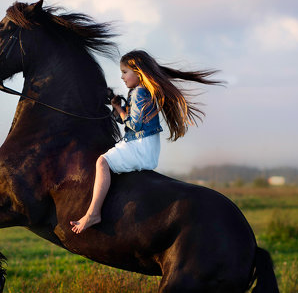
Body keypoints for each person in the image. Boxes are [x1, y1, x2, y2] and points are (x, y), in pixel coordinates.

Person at [70, 49, 220, 233]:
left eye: (125, 72)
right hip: (143, 143)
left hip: (140, 146)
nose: (123, 78)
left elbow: (134, 123)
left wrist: (120, 108)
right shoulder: (140, 91)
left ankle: (93, 213)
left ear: (139, 73)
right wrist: (118, 106)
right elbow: (130, 121)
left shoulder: (140, 92)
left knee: (102, 162)